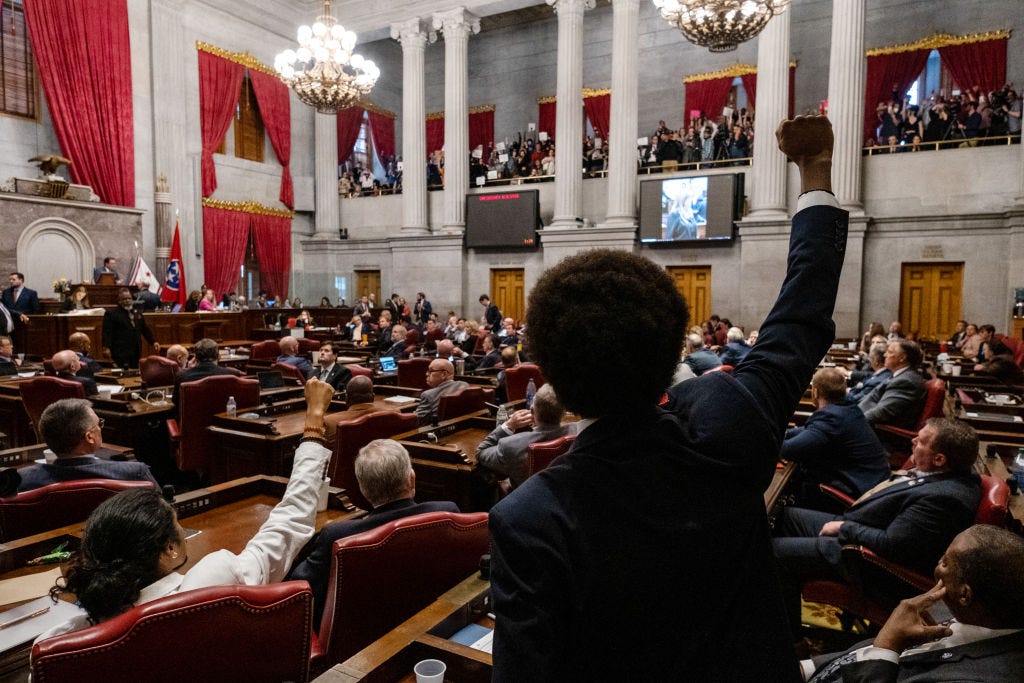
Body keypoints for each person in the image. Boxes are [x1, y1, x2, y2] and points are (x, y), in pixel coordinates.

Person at [489, 116, 848, 680]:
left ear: (552, 374)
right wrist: (815, 169)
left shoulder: (529, 519)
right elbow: (804, 309)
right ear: (672, 345)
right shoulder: (732, 426)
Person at [39, 379, 335, 638]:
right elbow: (289, 521)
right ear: (170, 549)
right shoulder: (212, 580)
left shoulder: (61, 640)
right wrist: (314, 422)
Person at [773, 417, 982, 643]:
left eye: (921, 441)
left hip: (863, 559)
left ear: (939, 459)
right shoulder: (946, 474)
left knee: (774, 553)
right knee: (784, 515)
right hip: (861, 527)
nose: (913, 441)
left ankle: (788, 639)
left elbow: (891, 545)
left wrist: (845, 527)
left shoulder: (944, 499)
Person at [803, 525, 1024, 682]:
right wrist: (808, 668)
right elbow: (860, 654)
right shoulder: (957, 610)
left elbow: (880, 652)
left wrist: (887, 647)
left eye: (945, 562)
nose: (937, 565)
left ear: (964, 595)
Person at [287, 439, 459, 624]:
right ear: (412, 479)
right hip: (432, 624)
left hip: (356, 638)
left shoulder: (338, 536)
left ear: (362, 488)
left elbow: (297, 589)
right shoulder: (448, 513)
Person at [781, 367, 889, 504]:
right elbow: (809, 431)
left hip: (858, 494)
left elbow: (788, 450)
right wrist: (783, 433)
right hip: (874, 484)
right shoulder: (849, 409)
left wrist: (764, 438)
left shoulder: (830, 417)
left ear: (815, 392)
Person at [18, 398, 157, 492]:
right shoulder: (134, 473)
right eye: (99, 424)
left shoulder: (22, 479)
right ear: (89, 437)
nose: (100, 428)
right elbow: (164, 517)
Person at [476, 384, 568, 490]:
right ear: (564, 412)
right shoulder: (578, 431)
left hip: (527, 501)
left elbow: (481, 452)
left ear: (532, 411)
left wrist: (509, 425)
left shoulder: (511, 446)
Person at [857, 339, 926, 430]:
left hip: (879, 434)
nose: (885, 355)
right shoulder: (900, 375)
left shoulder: (906, 381)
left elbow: (880, 413)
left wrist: (852, 421)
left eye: (889, 352)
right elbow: (871, 399)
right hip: (863, 419)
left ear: (902, 358)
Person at [171, 338, 241, 410]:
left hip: (194, 420)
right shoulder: (233, 375)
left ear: (195, 357)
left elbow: (176, 402)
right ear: (218, 356)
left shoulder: (182, 376)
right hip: (224, 420)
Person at [102, 289, 159, 369]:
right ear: (119, 301)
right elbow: (107, 332)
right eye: (124, 299)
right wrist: (106, 347)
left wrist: (153, 341)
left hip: (136, 349)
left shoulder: (137, 312)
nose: (127, 301)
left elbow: (144, 329)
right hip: (120, 350)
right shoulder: (112, 314)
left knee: (135, 370)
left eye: (129, 298)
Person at [415, 358, 468, 426]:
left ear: (444, 374)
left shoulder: (428, 395)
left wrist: (414, 413)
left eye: (431, 371)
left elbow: (417, 421)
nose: (426, 374)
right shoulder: (464, 385)